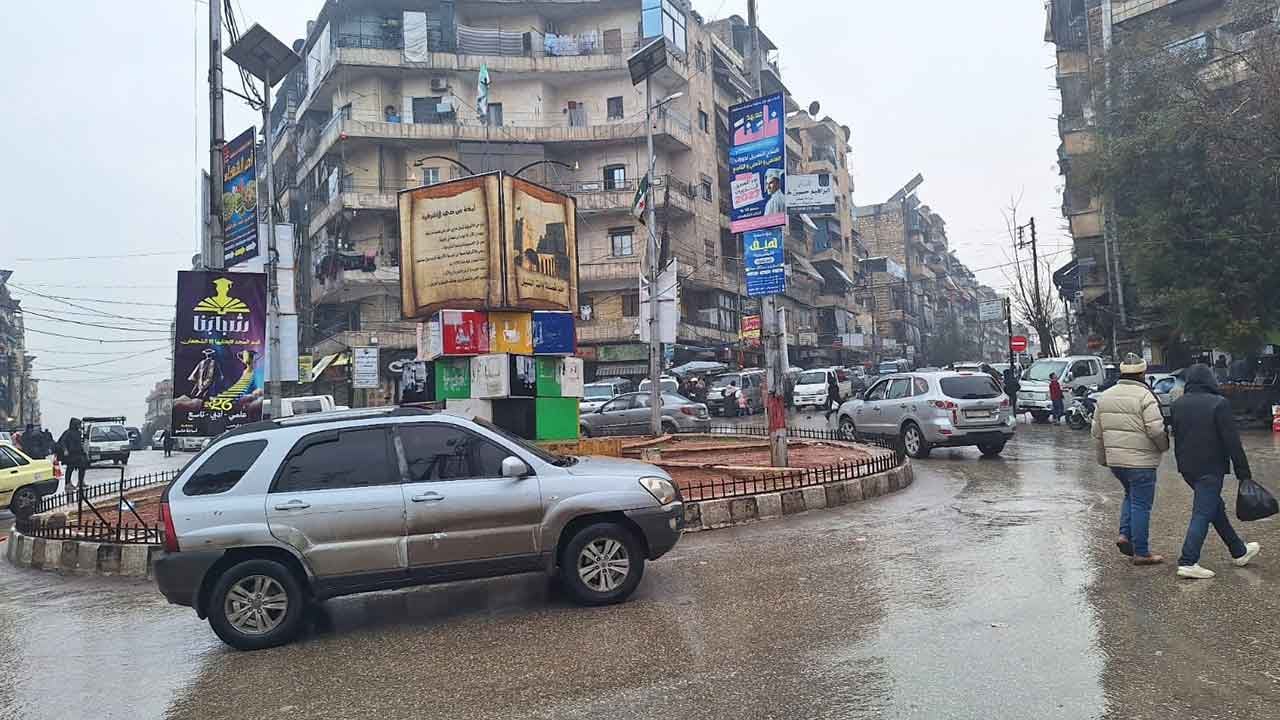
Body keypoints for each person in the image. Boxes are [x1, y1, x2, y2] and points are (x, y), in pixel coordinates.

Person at [1169, 364, 1261, 579]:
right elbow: (1232, 442)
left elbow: (1177, 436)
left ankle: (1239, 551)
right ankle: (1188, 560)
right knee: (1203, 512)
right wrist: (1243, 473)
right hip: (1210, 468)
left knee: (1214, 508)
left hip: (1187, 469)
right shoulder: (1219, 404)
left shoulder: (1177, 404)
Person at [1092, 353, 1170, 565]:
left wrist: (1104, 459)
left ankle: (1124, 534)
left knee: (1130, 495)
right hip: (1141, 463)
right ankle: (1142, 552)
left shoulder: (1105, 396)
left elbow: (1096, 432)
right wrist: (1164, 446)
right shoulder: (1146, 397)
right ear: (1143, 373)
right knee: (1141, 504)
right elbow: (1155, 429)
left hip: (1117, 462)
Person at [56, 418, 89, 500]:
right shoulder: (67, 433)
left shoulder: (78, 432)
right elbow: (62, 442)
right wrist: (65, 450)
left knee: (83, 466)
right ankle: (67, 484)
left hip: (78, 453)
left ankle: (80, 482)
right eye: (78, 424)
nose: (79, 426)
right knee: (70, 468)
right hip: (70, 454)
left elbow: (79, 443)